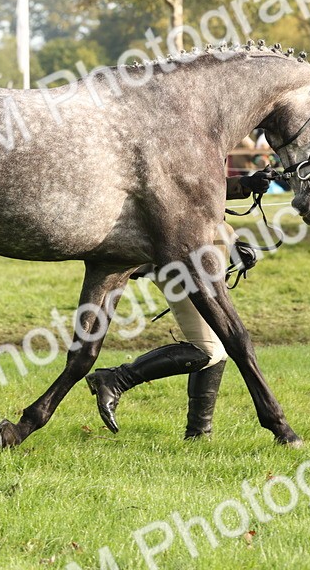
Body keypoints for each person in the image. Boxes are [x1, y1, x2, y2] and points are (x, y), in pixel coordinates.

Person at [85, 170, 273, 440]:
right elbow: (183, 195)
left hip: (199, 254)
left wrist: (242, 192)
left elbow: (205, 195)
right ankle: (115, 380)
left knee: (218, 341)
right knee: (209, 349)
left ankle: (199, 433)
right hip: (177, 258)